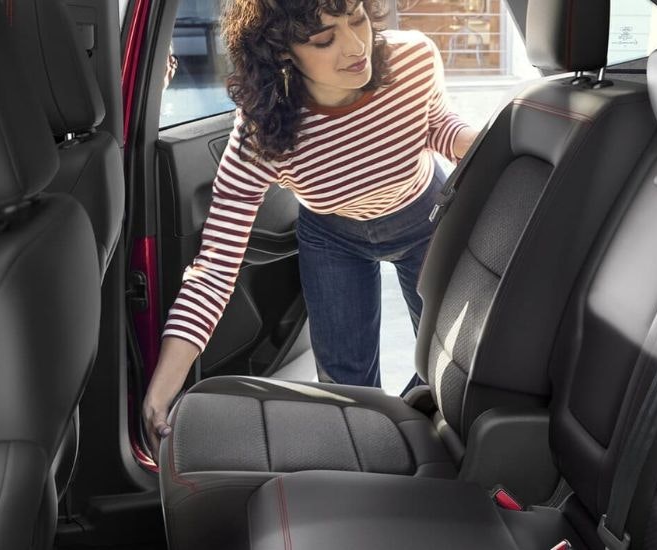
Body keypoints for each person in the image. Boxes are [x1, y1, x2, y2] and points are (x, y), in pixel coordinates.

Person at [143, 0, 478, 453]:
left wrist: (467, 142)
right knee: (346, 390)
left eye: (357, 17)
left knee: (445, 368)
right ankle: (372, 464)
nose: (357, 45)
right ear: (282, 51)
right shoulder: (261, 131)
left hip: (423, 219)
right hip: (332, 236)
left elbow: (434, 122)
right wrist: (164, 386)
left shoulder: (411, 57)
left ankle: (426, 452)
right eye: (324, 39)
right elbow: (216, 266)